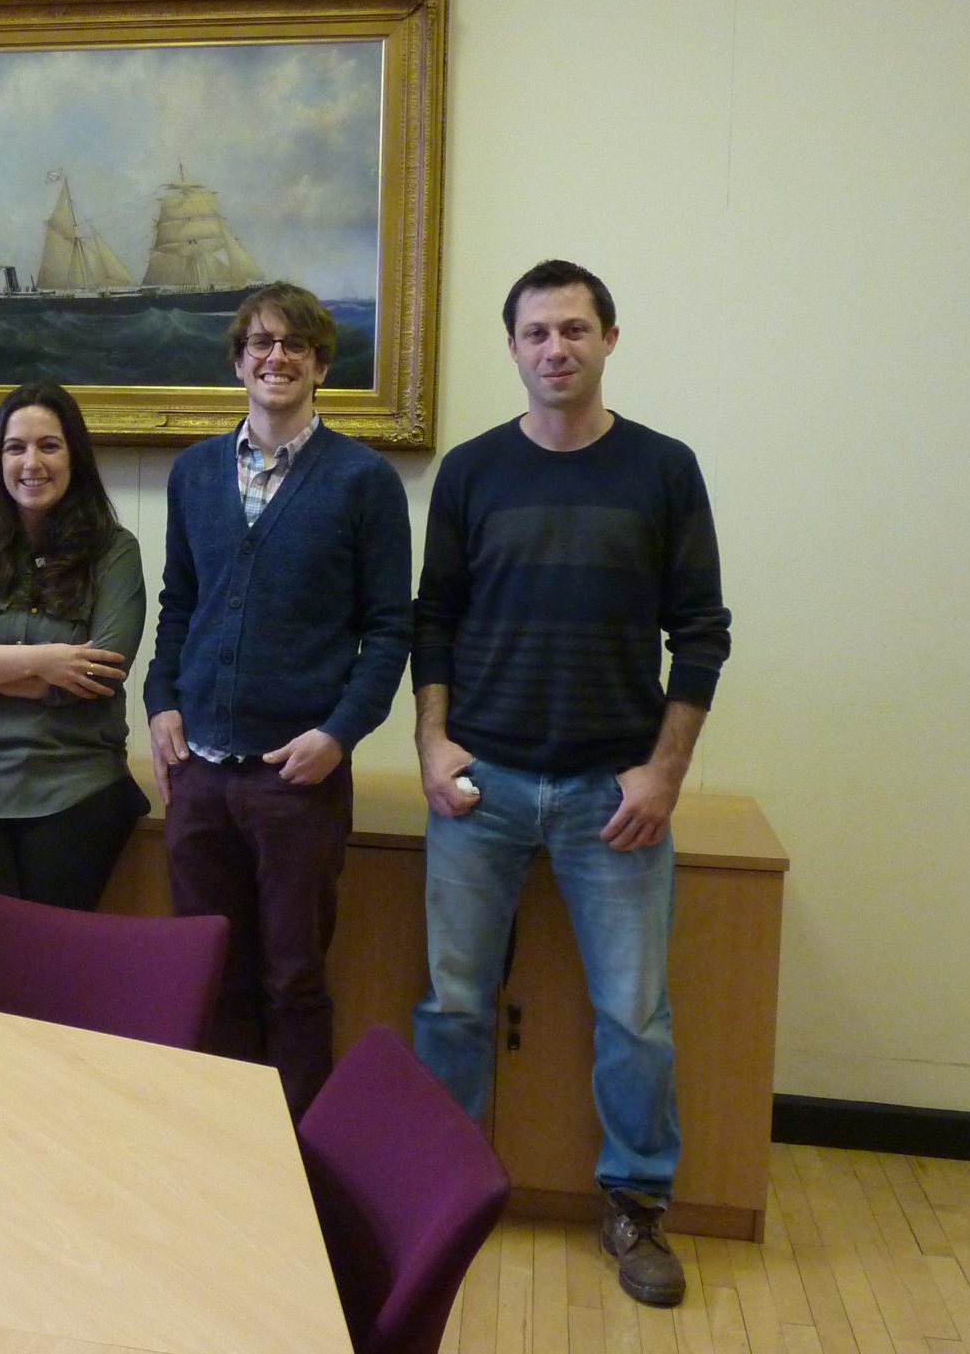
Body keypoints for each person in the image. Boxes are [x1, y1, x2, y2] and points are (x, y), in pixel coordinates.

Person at [410, 259, 732, 1310]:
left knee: (633, 1016)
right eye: (536, 332)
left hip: (611, 798)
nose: (555, 348)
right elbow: (432, 622)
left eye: (574, 330)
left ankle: (634, 1205)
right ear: (510, 347)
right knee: (453, 1006)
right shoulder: (469, 472)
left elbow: (699, 632)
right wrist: (431, 742)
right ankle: (439, 1195)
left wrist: (663, 775)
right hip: (481, 788)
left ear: (607, 340)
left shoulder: (662, 470)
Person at [145, 282, 412, 1114]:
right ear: (238, 362)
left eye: (295, 345)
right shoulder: (193, 474)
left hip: (297, 779)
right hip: (201, 776)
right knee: (209, 972)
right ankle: (222, 1146)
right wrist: (160, 704)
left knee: (293, 979)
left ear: (321, 365)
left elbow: (389, 630)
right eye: (261, 344)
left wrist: (337, 735)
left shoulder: (363, 481)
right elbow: (178, 604)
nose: (277, 357)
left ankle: (297, 1164)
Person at [0, 383, 148, 910]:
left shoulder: (113, 550)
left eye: (49, 446)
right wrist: (47, 661)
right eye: (15, 447)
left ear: (74, 456)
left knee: (47, 969)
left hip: (74, 791)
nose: (31, 462)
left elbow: (100, 674)